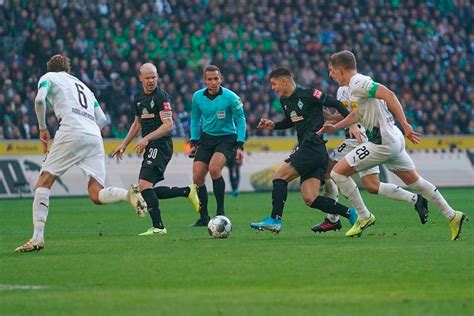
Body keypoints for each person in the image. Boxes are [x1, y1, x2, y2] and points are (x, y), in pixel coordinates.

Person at [318, 50, 468, 240]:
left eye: (331, 70)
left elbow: (389, 94)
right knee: (416, 183)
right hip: (393, 140)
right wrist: (336, 126)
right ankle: (452, 215)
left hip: (382, 143)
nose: (330, 75)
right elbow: (358, 114)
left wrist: (405, 124)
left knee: (337, 173)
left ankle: (364, 216)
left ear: (340, 70)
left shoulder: (357, 82)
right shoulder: (354, 86)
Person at [15, 55, 147, 253]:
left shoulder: (48, 77)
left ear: (51, 68)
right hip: (94, 135)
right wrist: (86, 133)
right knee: (96, 193)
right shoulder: (83, 85)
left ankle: (37, 237)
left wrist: (42, 128)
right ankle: (127, 194)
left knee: (43, 182)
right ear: (68, 70)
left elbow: (39, 100)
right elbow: (102, 119)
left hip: (70, 130)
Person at [249, 67, 357, 233]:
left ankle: (275, 220)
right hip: (315, 151)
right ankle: (350, 213)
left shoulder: (309, 94)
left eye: (274, 83)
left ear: (284, 81)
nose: (273, 88)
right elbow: (291, 121)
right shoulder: (285, 101)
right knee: (310, 198)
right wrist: (274, 125)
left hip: (311, 146)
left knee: (279, 177)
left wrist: (352, 124)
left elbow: (335, 103)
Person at [312, 85, 429, 233]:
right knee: (372, 186)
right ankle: (415, 199)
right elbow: (349, 113)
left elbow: (352, 114)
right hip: (364, 138)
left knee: (330, 172)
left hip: (358, 139)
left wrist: (345, 123)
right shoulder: (359, 86)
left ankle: (340, 218)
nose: (331, 74)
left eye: (333, 70)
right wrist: (331, 118)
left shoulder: (349, 88)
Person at [113, 63, 200, 236]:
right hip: (151, 145)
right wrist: (124, 144)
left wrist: (146, 139)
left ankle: (159, 227)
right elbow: (137, 123)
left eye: (154, 77)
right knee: (147, 189)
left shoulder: (161, 97)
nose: (151, 81)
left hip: (161, 145)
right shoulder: (138, 97)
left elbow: (168, 125)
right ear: (140, 79)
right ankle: (187, 191)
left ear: (157, 77)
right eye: (148, 78)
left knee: (144, 185)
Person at [188, 65, 246, 226]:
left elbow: (241, 121)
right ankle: (204, 217)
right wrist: (194, 141)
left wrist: (240, 145)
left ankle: (220, 213)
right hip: (207, 139)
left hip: (227, 138)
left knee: (214, 169)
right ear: (204, 81)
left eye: (216, 78)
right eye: (209, 79)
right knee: (197, 176)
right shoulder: (197, 97)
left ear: (221, 79)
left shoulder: (232, 97)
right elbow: (195, 119)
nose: (213, 82)